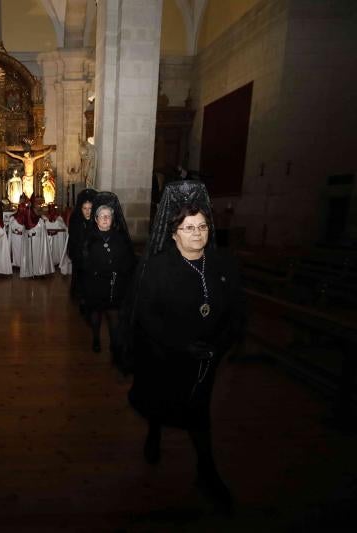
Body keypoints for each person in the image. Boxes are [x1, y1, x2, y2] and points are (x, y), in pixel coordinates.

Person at [118, 179, 245, 513]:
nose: (197, 234)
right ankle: (155, 431)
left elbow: (236, 313)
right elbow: (146, 316)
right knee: (161, 400)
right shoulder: (156, 268)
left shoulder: (225, 265)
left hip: (206, 360)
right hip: (165, 354)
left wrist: (218, 346)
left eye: (202, 226)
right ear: (173, 232)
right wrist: (181, 344)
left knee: (199, 413)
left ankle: (207, 471)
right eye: (188, 228)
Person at [80, 192, 135, 353]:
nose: (105, 219)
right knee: (96, 314)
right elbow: (84, 263)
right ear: (96, 219)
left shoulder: (120, 238)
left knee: (113, 315)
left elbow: (128, 260)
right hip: (95, 284)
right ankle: (96, 338)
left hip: (114, 284)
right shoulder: (89, 239)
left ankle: (114, 342)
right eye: (101, 216)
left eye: (108, 216)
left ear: (112, 219)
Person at [68, 188, 97, 304]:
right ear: (81, 209)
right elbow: (75, 239)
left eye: (90, 209)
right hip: (79, 254)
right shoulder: (76, 220)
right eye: (85, 208)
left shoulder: (96, 221)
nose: (87, 212)